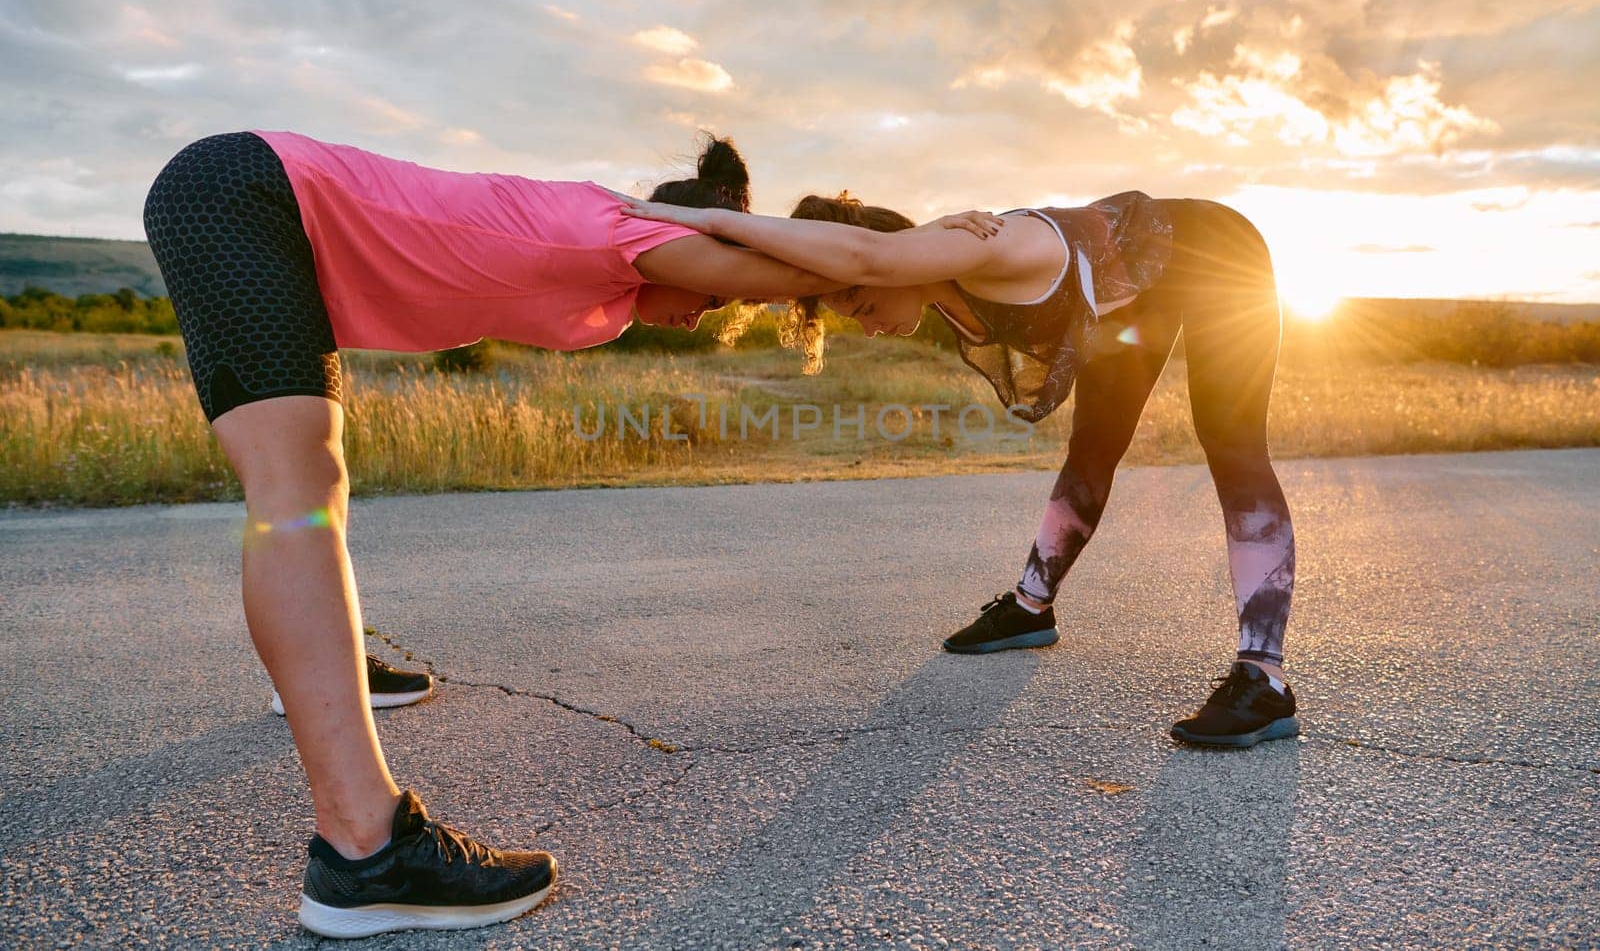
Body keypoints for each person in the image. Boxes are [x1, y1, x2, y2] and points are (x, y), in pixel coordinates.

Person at [141, 130, 850, 939]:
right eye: (714, 295)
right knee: (298, 486)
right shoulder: (628, 232)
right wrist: (949, 255)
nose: (703, 316)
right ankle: (365, 851)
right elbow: (813, 266)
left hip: (250, 200)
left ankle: (324, 676)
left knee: (308, 484)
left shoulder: (610, 261)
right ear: (686, 241)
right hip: (248, 193)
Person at [618, 188, 1300, 750]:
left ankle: (1263, 679)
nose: (868, 324)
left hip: (1213, 251)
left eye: (860, 305)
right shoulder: (937, 264)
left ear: (888, 268)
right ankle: (1030, 607)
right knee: (1092, 447)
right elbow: (844, 246)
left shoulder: (987, 249)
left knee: (1230, 440)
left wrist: (700, 218)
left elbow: (867, 246)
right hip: (1137, 293)